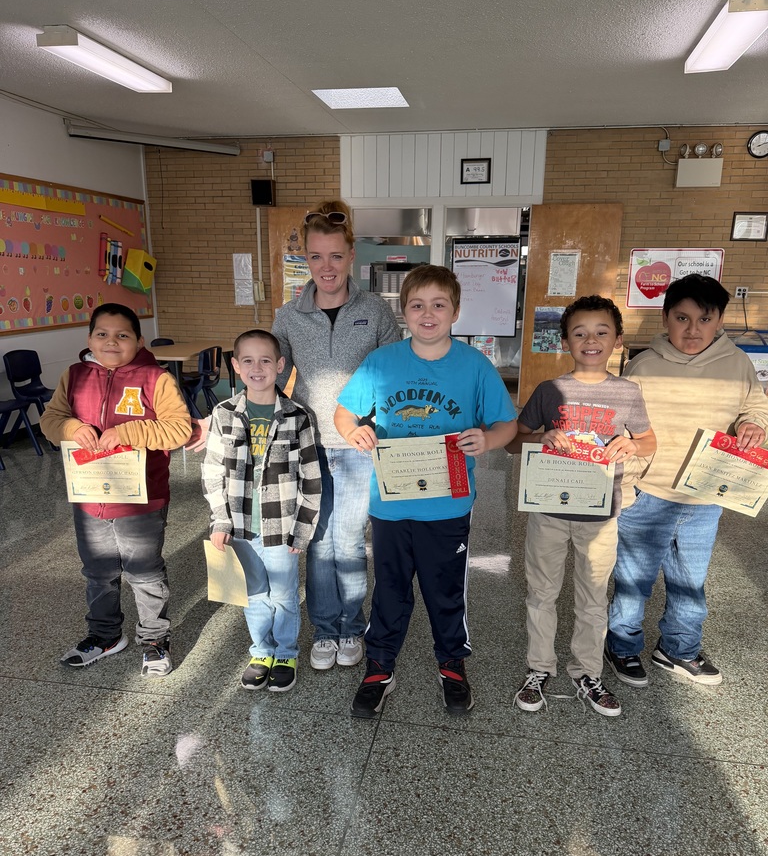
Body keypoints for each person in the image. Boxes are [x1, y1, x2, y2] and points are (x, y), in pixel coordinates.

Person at [334, 264, 518, 717]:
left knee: (445, 589)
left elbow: (507, 424)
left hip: (448, 502)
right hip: (392, 502)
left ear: (455, 311)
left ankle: (452, 665)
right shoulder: (382, 362)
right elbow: (344, 413)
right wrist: (353, 433)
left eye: (439, 305)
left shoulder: (474, 366)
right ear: (404, 312)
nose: (428, 313)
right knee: (390, 589)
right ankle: (380, 666)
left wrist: (488, 440)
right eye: (417, 305)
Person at [605, 274, 768, 688]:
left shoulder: (738, 365)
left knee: (690, 580)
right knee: (633, 581)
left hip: (705, 496)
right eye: (682, 318)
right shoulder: (644, 367)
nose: (692, 330)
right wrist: (625, 487)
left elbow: (756, 406)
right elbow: (622, 428)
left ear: (719, 321)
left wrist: (752, 423)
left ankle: (678, 649)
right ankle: (621, 646)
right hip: (649, 493)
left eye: (704, 319)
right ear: (665, 318)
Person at [507, 296, 656, 716]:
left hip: (601, 514)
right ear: (566, 341)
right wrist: (541, 439)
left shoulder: (627, 392)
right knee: (542, 592)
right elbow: (514, 440)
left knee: (592, 596)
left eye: (601, 332)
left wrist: (633, 443)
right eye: (580, 333)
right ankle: (539, 668)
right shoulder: (550, 390)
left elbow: (649, 440)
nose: (591, 340)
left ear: (618, 340)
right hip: (549, 511)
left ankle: (587, 672)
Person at [272, 200, 401, 672]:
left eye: (335, 256)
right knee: (316, 538)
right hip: (307, 443)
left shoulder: (376, 311)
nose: (326, 267)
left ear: (352, 257)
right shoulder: (288, 315)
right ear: (305, 259)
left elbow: (395, 376)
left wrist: (384, 428)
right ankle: (326, 630)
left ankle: (352, 626)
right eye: (316, 257)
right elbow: (266, 373)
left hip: (357, 445)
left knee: (346, 540)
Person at [40, 303, 192, 675]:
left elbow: (178, 430)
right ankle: (106, 635)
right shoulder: (74, 376)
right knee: (97, 572)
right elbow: (50, 420)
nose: (112, 342)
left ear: (138, 340)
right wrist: (72, 428)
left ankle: (155, 639)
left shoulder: (156, 378)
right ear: (89, 338)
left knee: (144, 572)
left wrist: (127, 432)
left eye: (122, 335)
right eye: (102, 334)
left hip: (141, 499)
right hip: (90, 497)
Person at [201, 329, 322, 693]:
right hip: (239, 527)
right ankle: (261, 651)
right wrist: (220, 519)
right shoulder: (223, 414)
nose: (258, 368)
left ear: (280, 366)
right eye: (248, 361)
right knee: (253, 595)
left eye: (266, 360)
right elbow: (212, 471)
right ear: (236, 367)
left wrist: (302, 530)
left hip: (281, 527)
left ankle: (286, 652)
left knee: (284, 594)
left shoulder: (298, 416)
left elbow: (312, 479)